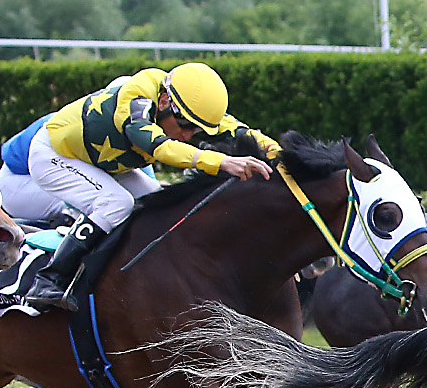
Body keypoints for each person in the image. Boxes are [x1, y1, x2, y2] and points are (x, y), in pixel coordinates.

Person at [23, 62, 279, 310]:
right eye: (186, 126)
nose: (188, 135)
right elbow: (159, 148)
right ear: (166, 102)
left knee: (160, 205)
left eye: (196, 129)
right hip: (54, 155)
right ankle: (49, 279)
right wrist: (221, 162)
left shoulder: (179, 102)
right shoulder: (136, 98)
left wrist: (280, 153)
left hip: (102, 161)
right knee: (115, 203)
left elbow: (241, 131)